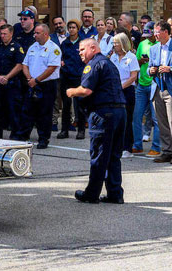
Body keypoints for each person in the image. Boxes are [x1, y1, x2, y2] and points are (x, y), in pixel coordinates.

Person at [66, 38, 127, 204]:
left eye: (82, 49)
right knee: (114, 155)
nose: (80, 53)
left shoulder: (93, 64)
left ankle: (91, 194)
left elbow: (86, 90)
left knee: (99, 155)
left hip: (103, 114)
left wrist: (71, 91)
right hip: (119, 112)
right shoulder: (109, 63)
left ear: (93, 48)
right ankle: (115, 194)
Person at [18, 23, 61, 149]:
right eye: (35, 33)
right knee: (27, 111)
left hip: (46, 84)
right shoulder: (33, 47)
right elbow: (25, 64)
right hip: (32, 83)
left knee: (44, 113)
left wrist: (36, 80)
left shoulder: (54, 48)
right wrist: (29, 78)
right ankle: (23, 136)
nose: (34, 35)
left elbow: (52, 68)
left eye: (37, 33)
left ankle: (43, 139)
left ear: (45, 34)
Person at [0, 24, 24, 139]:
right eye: (1, 34)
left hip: (12, 83)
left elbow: (19, 65)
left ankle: (15, 135)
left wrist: (7, 77)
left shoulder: (17, 47)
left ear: (11, 34)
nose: (2, 36)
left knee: (13, 110)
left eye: (5, 34)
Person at [132, 22, 161, 157]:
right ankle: (137, 145)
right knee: (137, 116)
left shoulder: (160, 45)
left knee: (156, 119)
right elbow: (136, 61)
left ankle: (156, 147)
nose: (148, 38)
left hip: (154, 85)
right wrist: (142, 61)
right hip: (141, 85)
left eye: (150, 35)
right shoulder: (143, 44)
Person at [110, 32, 139, 158]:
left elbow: (133, 77)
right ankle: (117, 146)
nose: (114, 45)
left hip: (127, 91)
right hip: (115, 90)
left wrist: (121, 87)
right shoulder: (113, 57)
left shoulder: (131, 57)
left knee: (127, 120)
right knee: (116, 120)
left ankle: (127, 147)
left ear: (122, 44)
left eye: (116, 43)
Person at [147, 21, 172, 163]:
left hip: (170, 89)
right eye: (154, 32)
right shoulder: (154, 48)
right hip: (157, 88)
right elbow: (148, 67)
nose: (155, 35)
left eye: (157, 32)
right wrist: (150, 70)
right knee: (161, 123)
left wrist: (170, 68)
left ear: (166, 32)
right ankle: (167, 151)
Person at [59, 19, 84, 139]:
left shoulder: (83, 42)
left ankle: (81, 130)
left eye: (74, 27)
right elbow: (60, 57)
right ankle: (65, 129)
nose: (71, 30)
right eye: (69, 27)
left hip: (79, 77)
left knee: (80, 104)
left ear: (78, 29)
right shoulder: (64, 43)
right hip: (66, 76)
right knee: (66, 105)